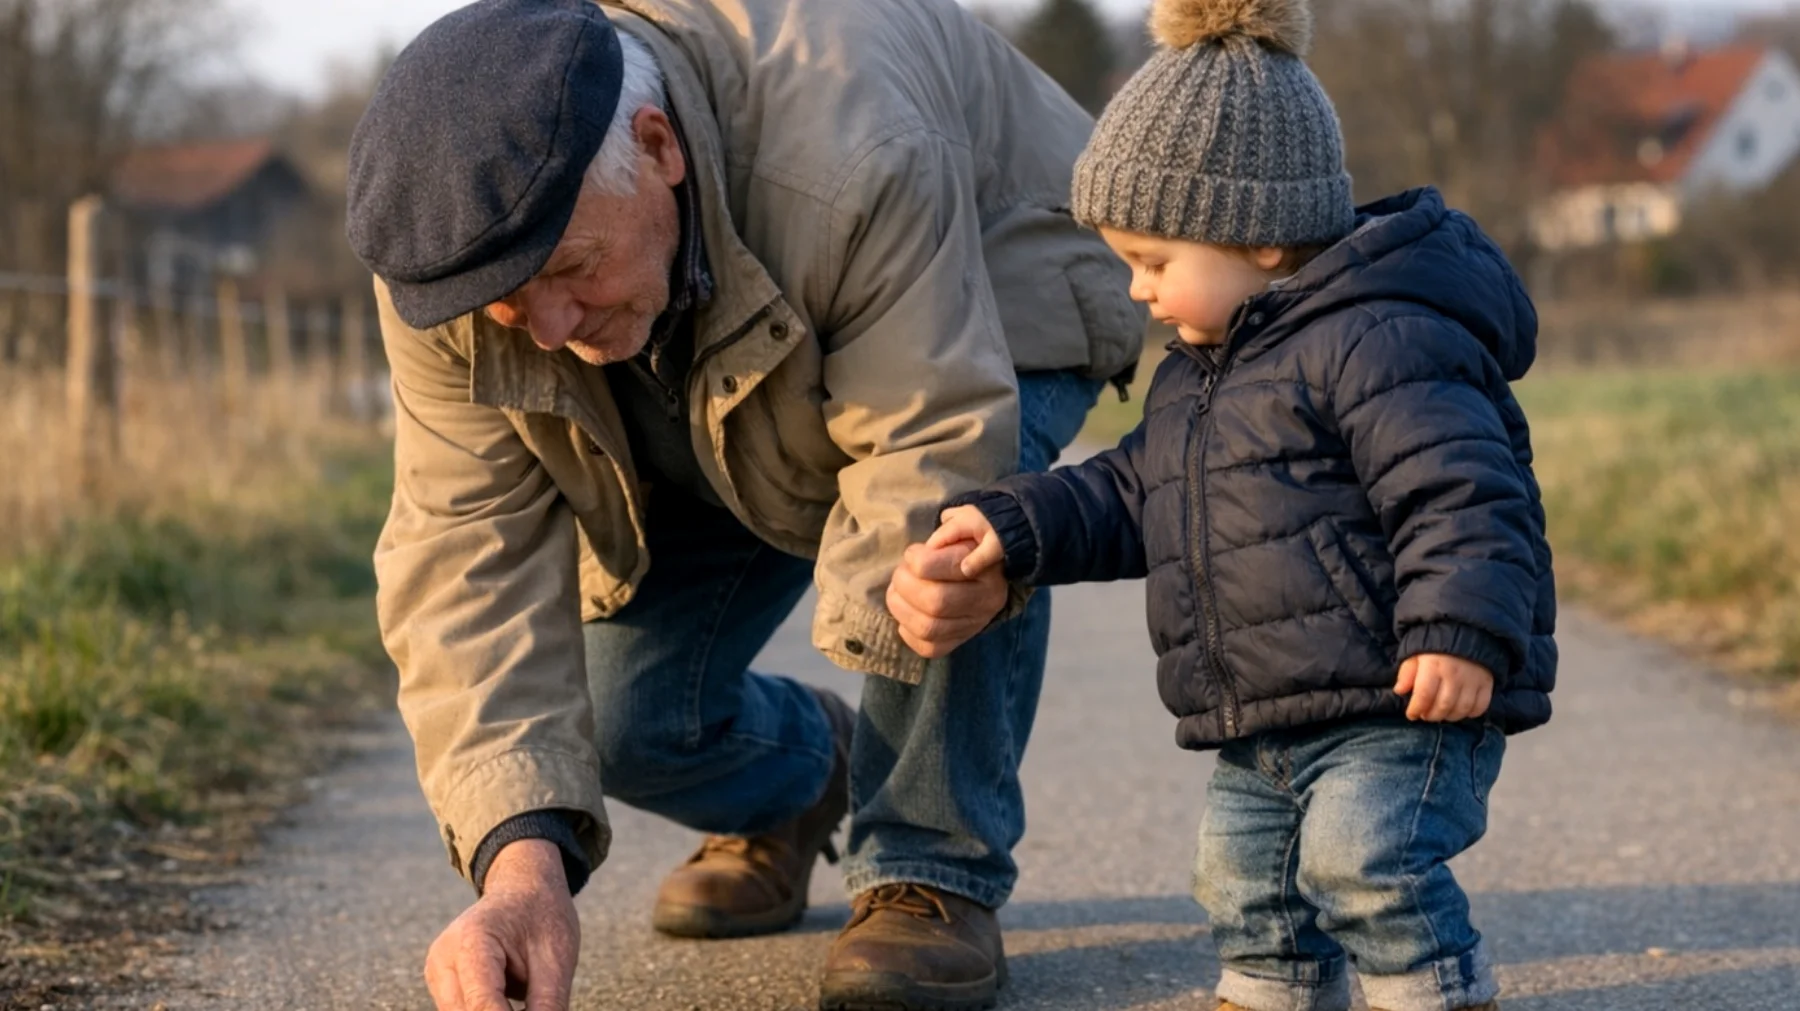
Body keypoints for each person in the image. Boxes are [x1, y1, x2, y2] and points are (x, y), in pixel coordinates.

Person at [343, 0, 1144, 1007]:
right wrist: (519, 874)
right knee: (624, 720)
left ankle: (927, 865)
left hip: (994, 269)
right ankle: (807, 782)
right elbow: (463, 550)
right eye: (511, 303)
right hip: (728, 324)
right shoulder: (452, 259)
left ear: (657, 145)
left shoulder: (853, 146)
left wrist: (912, 605)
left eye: (572, 270)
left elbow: (933, 434)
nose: (545, 327)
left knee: (955, 519)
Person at [893, 0, 1557, 1008]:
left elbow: (1463, 494)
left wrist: (1460, 633)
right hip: (1261, 711)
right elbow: (1131, 490)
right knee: (1243, 883)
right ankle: (1270, 993)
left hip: (1398, 698)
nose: (1139, 292)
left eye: (1154, 263)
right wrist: (1016, 525)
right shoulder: (1201, 373)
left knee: (1363, 864)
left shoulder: (1381, 340)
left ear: (1258, 236)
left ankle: (1434, 988)